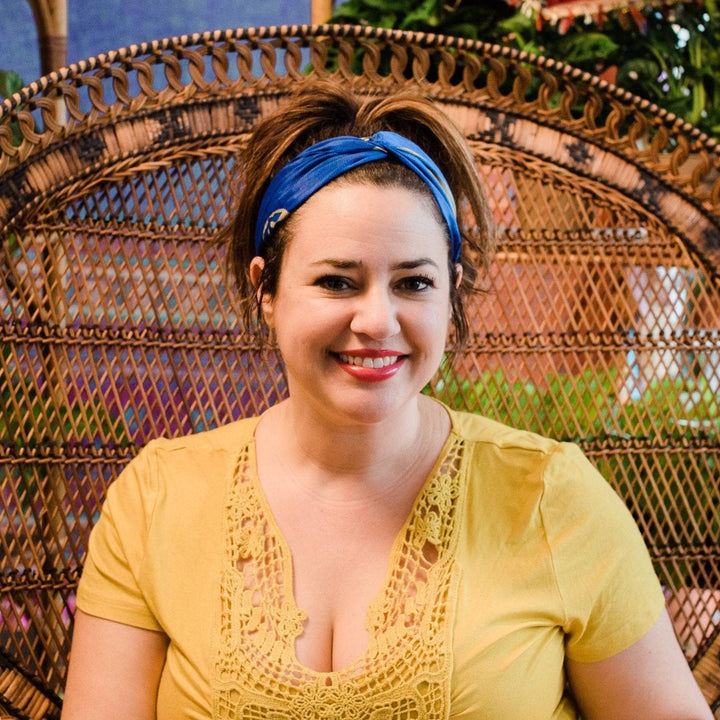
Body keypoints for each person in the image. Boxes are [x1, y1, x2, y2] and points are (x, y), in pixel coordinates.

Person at [61, 82, 713, 720]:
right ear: (266, 289)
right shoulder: (156, 500)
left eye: (413, 282)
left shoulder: (553, 501)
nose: (377, 319)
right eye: (337, 281)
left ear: (451, 293)